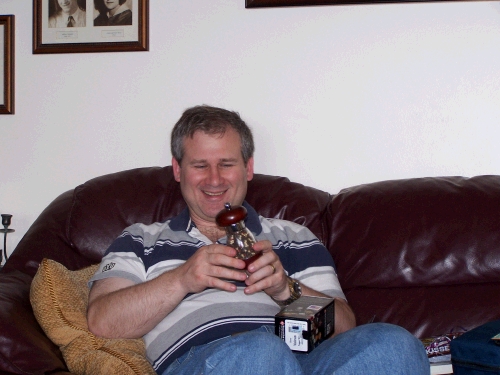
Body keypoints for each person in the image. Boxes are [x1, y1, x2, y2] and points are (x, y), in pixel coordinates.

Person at [87, 105, 430, 375]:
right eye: (199, 165)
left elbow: (343, 328)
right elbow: (103, 321)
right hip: (205, 365)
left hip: (307, 363)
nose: (214, 179)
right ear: (177, 170)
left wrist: (285, 289)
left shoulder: (294, 237)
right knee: (260, 352)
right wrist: (182, 279)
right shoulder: (141, 240)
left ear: (248, 168)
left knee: (394, 343)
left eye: (226, 164)